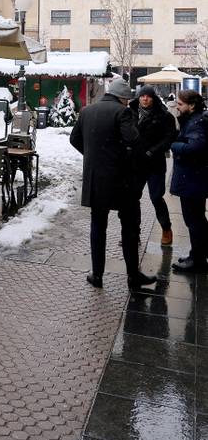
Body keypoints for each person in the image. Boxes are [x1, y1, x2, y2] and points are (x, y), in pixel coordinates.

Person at [70, 77, 157, 290]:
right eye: (127, 99)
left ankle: (97, 275)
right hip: (121, 179)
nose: (128, 102)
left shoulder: (87, 111)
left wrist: (94, 156)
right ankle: (133, 276)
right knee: (129, 226)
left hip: (95, 179)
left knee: (98, 227)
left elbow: (74, 139)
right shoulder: (122, 112)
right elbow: (132, 140)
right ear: (122, 98)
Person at [129, 85, 177, 246]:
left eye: (148, 96)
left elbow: (169, 138)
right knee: (133, 198)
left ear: (153, 98)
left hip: (155, 163)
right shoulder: (130, 112)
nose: (145, 99)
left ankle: (166, 228)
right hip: (136, 163)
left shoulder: (164, 115)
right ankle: (133, 233)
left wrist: (152, 151)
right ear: (138, 97)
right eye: (142, 96)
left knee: (156, 197)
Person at [170, 89, 208, 274]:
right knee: (196, 219)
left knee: (194, 221)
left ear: (191, 105)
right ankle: (197, 255)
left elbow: (195, 148)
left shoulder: (196, 123)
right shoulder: (195, 120)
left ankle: (198, 260)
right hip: (194, 179)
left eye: (180, 104)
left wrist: (174, 144)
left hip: (193, 180)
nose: (177, 107)